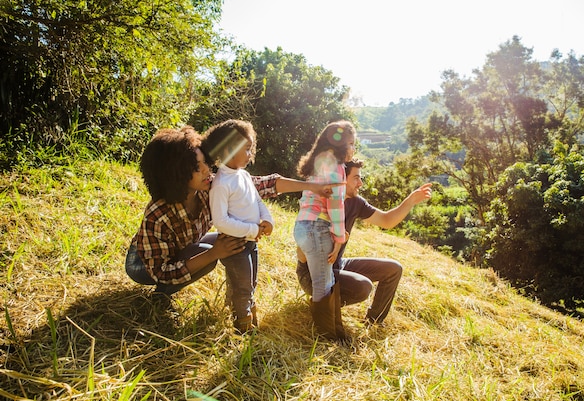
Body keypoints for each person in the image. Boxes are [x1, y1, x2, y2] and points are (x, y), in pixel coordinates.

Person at [125, 125, 339, 330]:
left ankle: (237, 300)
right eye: (197, 168)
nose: (207, 170)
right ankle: (161, 296)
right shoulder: (158, 214)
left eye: (205, 163)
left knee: (231, 242)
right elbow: (161, 270)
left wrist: (312, 187)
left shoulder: (208, 187)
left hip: (185, 246)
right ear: (176, 175)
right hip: (145, 265)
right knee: (208, 257)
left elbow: (264, 185)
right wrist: (214, 254)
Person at [296, 158, 432, 326]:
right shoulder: (319, 202)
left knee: (393, 269)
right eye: (356, 178)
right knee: (362, 287)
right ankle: (321, 307)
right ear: (341, 178)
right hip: (312, 274)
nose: (360, 183)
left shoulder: (356, 202)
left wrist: (411, 200)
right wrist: (332, 238)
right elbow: (301, 251)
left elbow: (386, 220)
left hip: (338, 265)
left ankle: (374, 322)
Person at [201, 120, 273, 333]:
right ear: (229, 150)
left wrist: (267, 219)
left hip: (251, 242)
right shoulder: (222, 184)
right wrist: (252, 230)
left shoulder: (244, 176)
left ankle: (246, 318)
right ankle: (244, 328)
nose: (250, 154)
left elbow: (257, 201)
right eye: (247, 149)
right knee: (243, 287)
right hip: (235, 245)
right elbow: (221, 221)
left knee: (250, 283)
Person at [293, 120, 356, 342]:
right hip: (318, 227)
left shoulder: (319, 163)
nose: (352, 149)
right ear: (340, 144)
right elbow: (336, 205)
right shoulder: (336, 167)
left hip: (303, 226)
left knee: (324, 279)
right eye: (350, 143)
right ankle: (325, 337)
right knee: (323, 283)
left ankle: (334, 332)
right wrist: (339, 239)